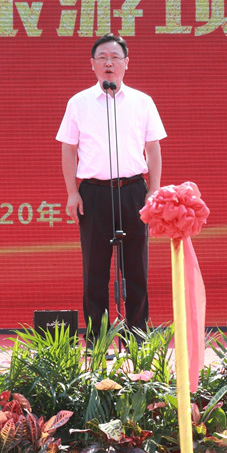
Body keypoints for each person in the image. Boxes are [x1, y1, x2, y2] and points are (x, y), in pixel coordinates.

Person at [57, 32, 165, 340]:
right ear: (92, 64)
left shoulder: (142, 102)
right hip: (93, 193)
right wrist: (72, 192)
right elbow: (68, 149)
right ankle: (97, 342)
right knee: (95, 272)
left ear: (126, 63)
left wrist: (154, 189)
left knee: (136, 270)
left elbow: (153, 147)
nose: (109, 63)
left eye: (115, 57)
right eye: (102, 57)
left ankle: (138, 340)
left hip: (133, 192)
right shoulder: (79, 103)